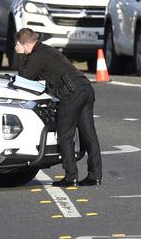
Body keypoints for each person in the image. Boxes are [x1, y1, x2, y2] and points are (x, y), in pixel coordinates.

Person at [14, 28, 102, 187]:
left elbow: (24, 78)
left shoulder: (38, 55)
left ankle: (71, 176)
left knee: (65, 135)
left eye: (18, 46)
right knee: (89, 134)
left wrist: (20, 55)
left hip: (71, 94)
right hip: (85, 88)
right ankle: (95, 175)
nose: (17, 48)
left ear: (24, 44)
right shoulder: (46, 50)